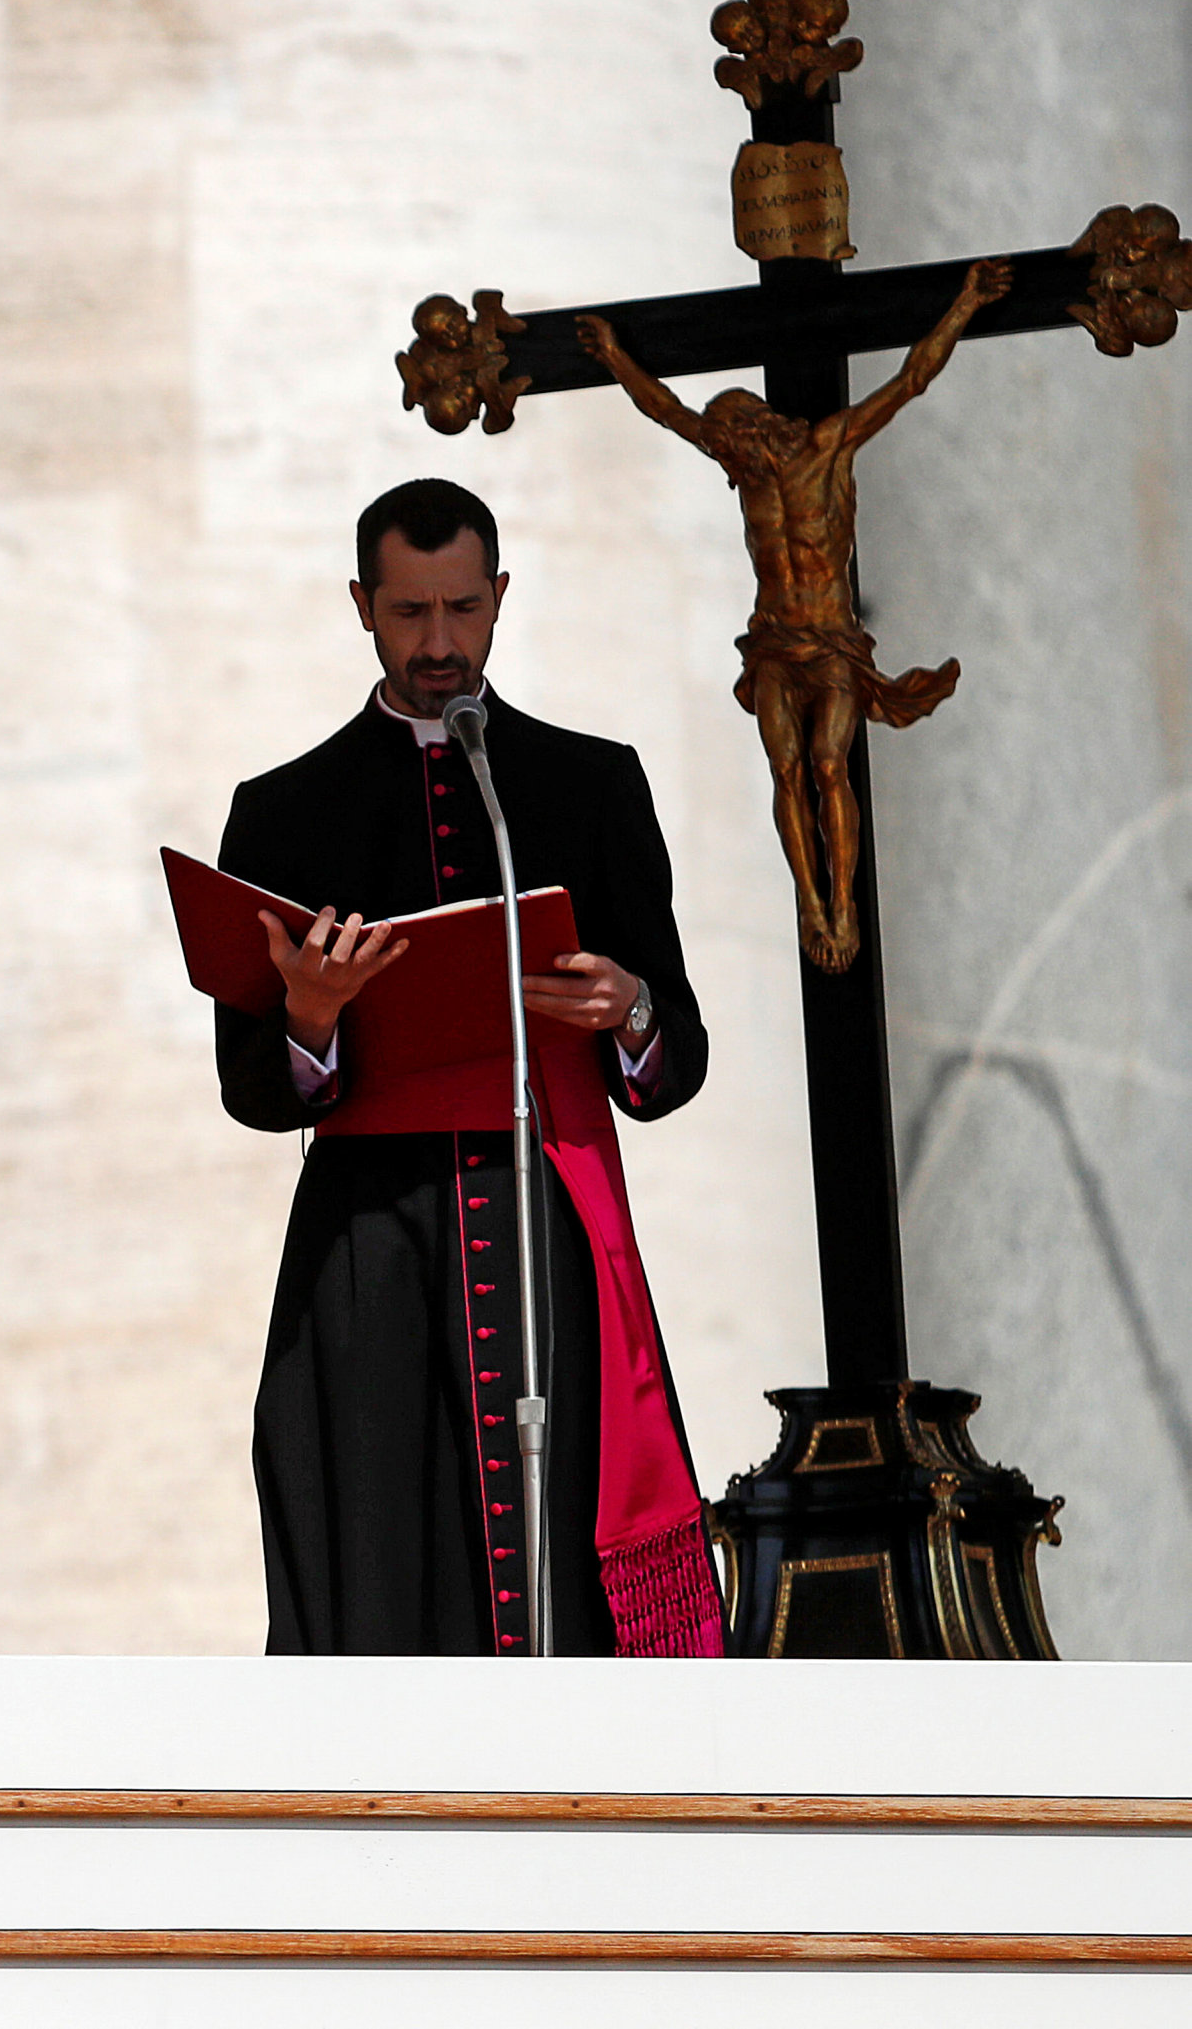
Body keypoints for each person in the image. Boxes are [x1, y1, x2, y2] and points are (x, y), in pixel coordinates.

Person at [210, 481, 723, 1656]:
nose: (437, 644)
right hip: (369, 1249)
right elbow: (248, 1087)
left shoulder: (585, 786)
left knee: (562, 1559)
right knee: (379, 1544)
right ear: (360, 607)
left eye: (459, 609)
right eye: (406, 614)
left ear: (498, 598)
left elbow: (676, 1052)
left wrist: (627, 1007)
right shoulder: (283, 810)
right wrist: (310, 1014)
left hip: (542, 1227)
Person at [574, 257, 1007, 969]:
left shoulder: (826, 445)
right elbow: (667, 410)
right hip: (774, 642)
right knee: (786, 770)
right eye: (727, 453)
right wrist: (617, 356)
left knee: (829, 765)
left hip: (831, 640)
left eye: (735, 444)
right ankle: (810, 902)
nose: (728, 460)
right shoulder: (741, 462)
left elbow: (910, 381)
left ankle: (844, 906)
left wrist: (963, 303)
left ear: (758, 428)